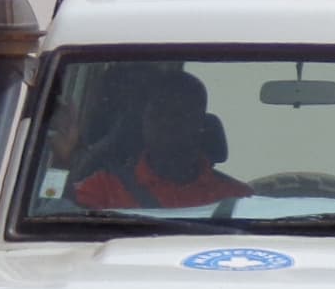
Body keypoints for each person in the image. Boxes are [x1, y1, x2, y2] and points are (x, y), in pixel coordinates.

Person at [72, 71, 250, 210]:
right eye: (158, 114)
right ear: (142, 122)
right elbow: (63, 229)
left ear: (201, 124)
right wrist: (62, 163)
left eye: (179, 115)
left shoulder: (237, 199)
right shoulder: (103, 189)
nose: (168, 124)